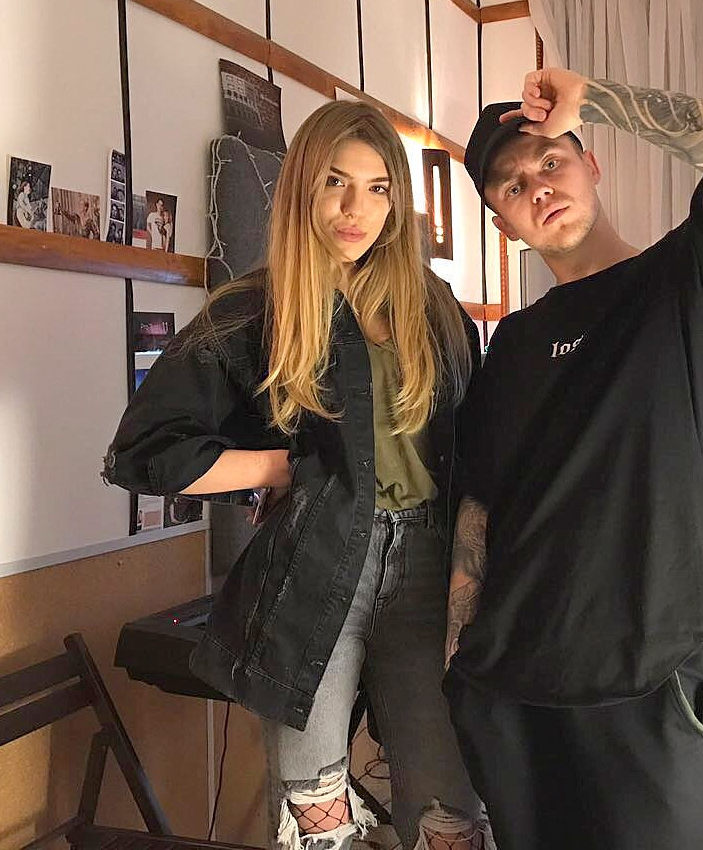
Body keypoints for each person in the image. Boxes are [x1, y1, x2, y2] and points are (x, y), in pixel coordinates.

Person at [104, 101, 492, 850]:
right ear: (302, 188)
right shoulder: (256, 308)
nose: (355, 209)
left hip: (428, 564)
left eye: (377, 188)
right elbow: (144, 450)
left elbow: (474, 448)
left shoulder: (435, 307)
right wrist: (281, 466)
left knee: (449, 806)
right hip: (313, 567)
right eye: (335, 182)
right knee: (316, 810)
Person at [443, 67, 703, 850]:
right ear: (503, 222)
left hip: (645, 667)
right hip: (511, 680)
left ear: (590, 164)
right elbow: (481, 507)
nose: (538, 186)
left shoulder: (682, 281)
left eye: (551, 160)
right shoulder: (513, 343)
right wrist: (459, 657)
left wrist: (593, 100)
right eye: (513, 185)